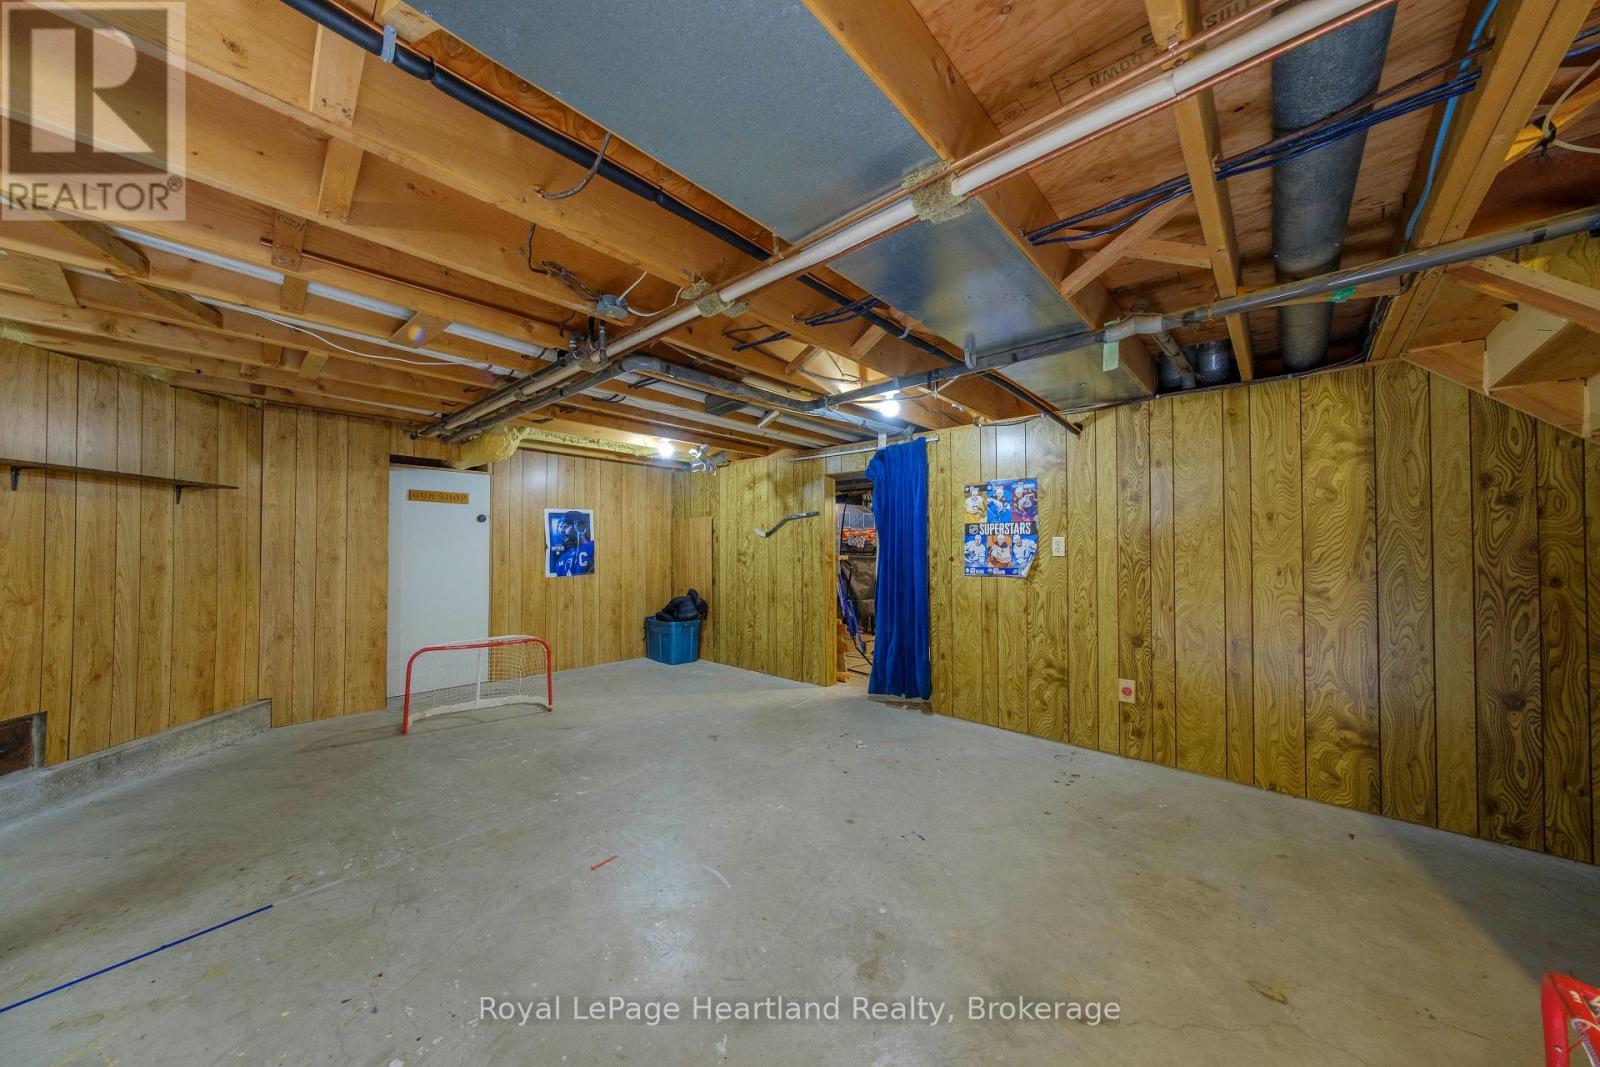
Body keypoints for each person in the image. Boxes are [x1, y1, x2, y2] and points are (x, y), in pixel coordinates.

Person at [548, 509, 595, 576]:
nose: (562, 531)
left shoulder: (593, 547)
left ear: (579, 526)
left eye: (565, 526)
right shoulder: (562, 559)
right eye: (561, 527)